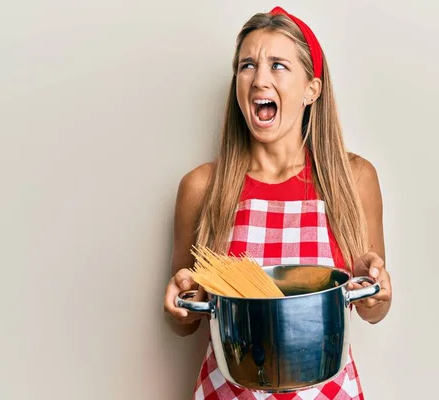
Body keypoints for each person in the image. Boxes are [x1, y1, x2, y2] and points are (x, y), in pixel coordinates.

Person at [163, 6, 392, 400]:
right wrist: (182, 300)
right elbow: (185, 321)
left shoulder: (353, 181)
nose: (258, 80)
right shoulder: (202, 187)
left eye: (278, 65)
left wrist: (378, 291)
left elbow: (372, 308)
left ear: (311, 89)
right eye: (247, 65)